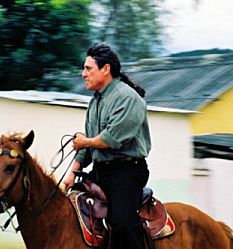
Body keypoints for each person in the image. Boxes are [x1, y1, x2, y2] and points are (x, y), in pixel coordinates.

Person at [63, 42, 151, 249]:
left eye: (88, 69)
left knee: (122, 224)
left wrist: (86, 141)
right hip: (100, 172)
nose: (83, 74)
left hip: (126, 173)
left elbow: (110, 138)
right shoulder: (95, 101)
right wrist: (71, 174)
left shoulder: (128, 98)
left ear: (106, 69)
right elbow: (88, 147)